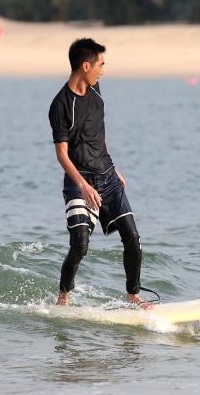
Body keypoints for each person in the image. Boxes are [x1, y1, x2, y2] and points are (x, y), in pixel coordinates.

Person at [47, 38, 149, 308]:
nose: (103, 69)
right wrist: (83, 186)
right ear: (85, 66)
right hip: (79, 181)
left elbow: (98, 135)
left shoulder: (96, 89)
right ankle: (63, 298)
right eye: (100, 64)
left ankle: (133, 295)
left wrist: (114, 168)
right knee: (80, 244)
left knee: (132, 237)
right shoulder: (60, 105)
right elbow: (62, 154)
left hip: (108, 175)